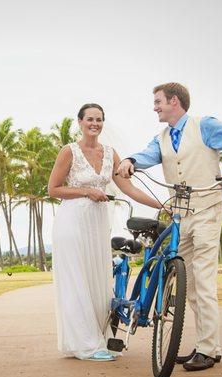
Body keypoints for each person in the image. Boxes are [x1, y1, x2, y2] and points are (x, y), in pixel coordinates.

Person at [117, 83, 222, 371]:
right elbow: (147, 155)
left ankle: (208, 349)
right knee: (189, 285)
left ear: (175, 101)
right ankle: (208, 345)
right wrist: (131, 160)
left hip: (206, 210)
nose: (154, 107)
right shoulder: (163, 137)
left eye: (158, 102)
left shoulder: (204, 125)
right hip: (181, 215)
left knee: (204, 281)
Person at [48, 103, 161, 361]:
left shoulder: (110, 153)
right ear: (80, 121)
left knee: (96, 280)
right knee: (77, 281)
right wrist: (86, 191)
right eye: (89, 119)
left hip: (97, 225)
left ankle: (97, 338)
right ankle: (86, 344)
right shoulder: (69, 152)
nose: (94, 124)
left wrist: (160, 204)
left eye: (99, 120)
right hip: (72, 223)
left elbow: (129, 188)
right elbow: (53, 189)